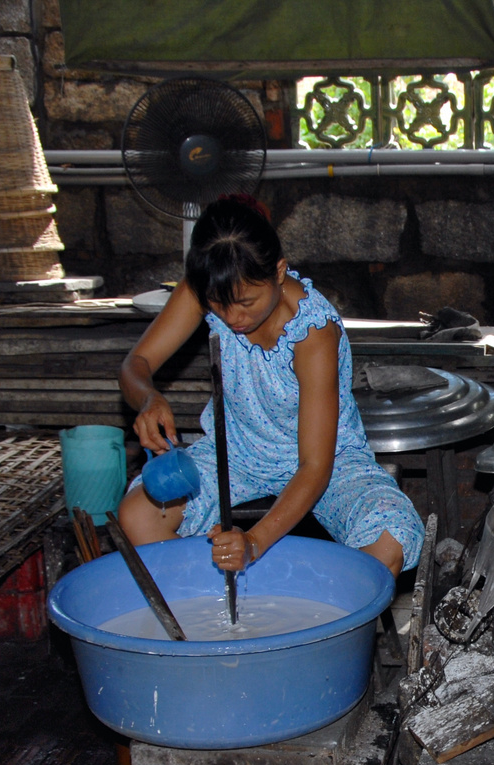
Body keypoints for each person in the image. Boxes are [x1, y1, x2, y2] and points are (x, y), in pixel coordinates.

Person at [116, 195, 422, 577]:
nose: (232, 317)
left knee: (389, 537)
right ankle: (212, 615)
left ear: (279, 272)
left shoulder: (312, 332)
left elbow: (314, 465)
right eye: (218, 304)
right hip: (236, 451)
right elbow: (136, 364)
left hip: (326, 462)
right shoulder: (213, 289)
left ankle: (304, 617)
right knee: (138, 515)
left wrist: (255, 541)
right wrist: (147, 397)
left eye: (245, 302)